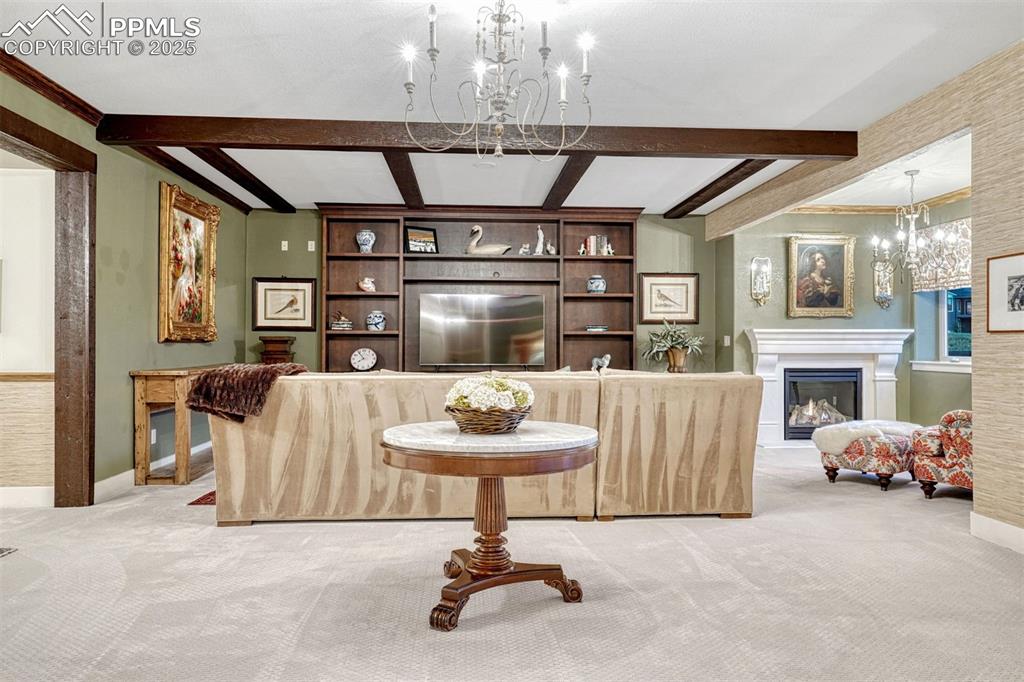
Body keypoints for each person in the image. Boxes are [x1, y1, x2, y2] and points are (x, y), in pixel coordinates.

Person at [171, 218, 202, 323]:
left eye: (188, 231)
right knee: (180, 283)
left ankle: (183, 315)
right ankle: (178, 316)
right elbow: (183, 260)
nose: (187, 235)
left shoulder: (192, 248)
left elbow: (192, 267)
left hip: (190, 273)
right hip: (185, 271)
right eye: (186, 231)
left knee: (183, 287)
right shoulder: (185, 246)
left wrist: (193, 283)